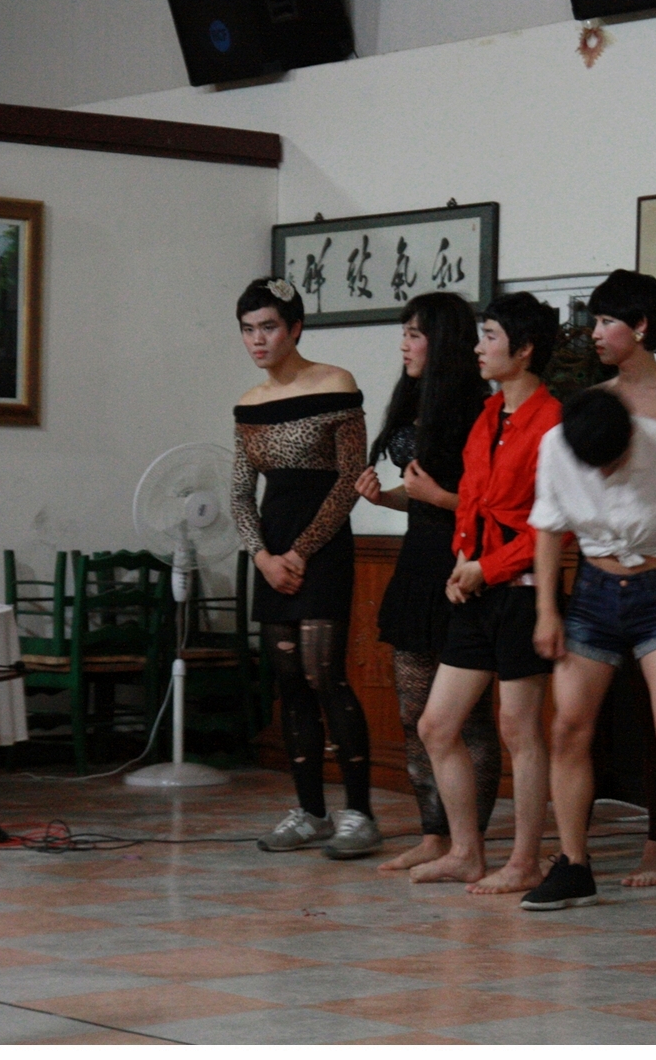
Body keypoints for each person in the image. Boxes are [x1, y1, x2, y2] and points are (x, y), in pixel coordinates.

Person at [522, 387, 656, 915]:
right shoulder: (556, 445)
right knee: (568, 726)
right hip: (594, 589)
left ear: (630, 436)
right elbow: (548, 529)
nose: (603, 473)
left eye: (612, 462)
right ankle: (574, 865)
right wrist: (547, 610)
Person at [411, 292, 563, 893]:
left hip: (523, 591)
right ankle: (466, 852)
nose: (479, 347)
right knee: (436, 724)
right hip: (475, 586)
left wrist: (489, 566)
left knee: (519, 729)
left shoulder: (552, 420)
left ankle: (525, 861)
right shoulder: (488, 414)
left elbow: (551, 525)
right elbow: (472, 499)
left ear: (524, 350)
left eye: (491, 336)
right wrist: (462, 560)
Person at [232, 277, 381, 859]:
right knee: (289, 683)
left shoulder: (336, 383)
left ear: (295, 328)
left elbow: (349, 479)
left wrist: (300, 552)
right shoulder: (249, 403)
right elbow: (240, 493)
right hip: (272, 552)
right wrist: (263, 556)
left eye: (269, 327)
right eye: (248, 329)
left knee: (325, 676)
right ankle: (310, 811)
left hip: (321, 550)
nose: (258, 340)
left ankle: (359, 813)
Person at [355, 293, 500, 874]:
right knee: (414, 713)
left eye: (414, 334)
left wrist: (434, 496)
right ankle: (435, 834)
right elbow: (420, 497)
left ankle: (470, 842)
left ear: (441, 342)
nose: (404, 345)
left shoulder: (479, 409)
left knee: (469, 721)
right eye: (405, 333)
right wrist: (385, 498)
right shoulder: (416, 398)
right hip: (417, 560)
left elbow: (494, 508)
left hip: (465, 567)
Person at [587, 267, 656, 887]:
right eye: (595, 319)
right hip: (600, 571)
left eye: (607, 320)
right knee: (589, 720)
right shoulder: (597, 396)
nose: (595, 331)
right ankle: (573, 853)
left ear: (641, 326)